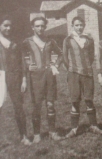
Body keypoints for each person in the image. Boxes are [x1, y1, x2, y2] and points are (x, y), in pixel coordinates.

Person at [22, 16, 64, 143]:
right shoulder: (27, 42)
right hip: (35, 78)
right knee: (36, 106)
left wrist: (55, 65)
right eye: (37, 26)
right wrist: (29, 65)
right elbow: (22, 57)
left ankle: (52, 132)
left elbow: (61, 54)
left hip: (49, 76)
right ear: (32, 27)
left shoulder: (50, 41)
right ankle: (36, 134)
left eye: (42, 26)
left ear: (45, 27)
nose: (40, 28)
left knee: (50, 105)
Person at [63, 16, 102, 138]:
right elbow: (65, 57)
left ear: (84, 26)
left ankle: (93, 125)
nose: (79, 27)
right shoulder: (68, 39)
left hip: (87, 73)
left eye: (81, 25)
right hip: (74, 73)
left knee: (89, 99)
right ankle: (74, 128)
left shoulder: (89, 39)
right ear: (73, 26)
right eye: (77, 25)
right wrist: (72, 68)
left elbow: (91, 56)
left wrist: (86, 66)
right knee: (75, 101)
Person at [0, 15, 31, 145]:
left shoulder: (16, 42)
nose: (8, 28)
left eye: (10, 25)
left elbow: (22, 61)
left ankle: (23, 136)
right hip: (0, 76)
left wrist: (24, 79)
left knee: (18, 106)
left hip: (15, 76)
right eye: (5, 25)